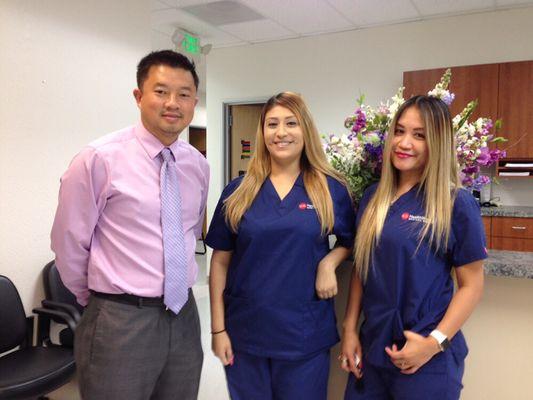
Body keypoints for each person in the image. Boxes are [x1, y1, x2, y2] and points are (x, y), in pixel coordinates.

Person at [51, 50, 209, 400]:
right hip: (120, 319)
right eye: (161, 91)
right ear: (139, 96)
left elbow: (190, 230)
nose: (173, 103)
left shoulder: (197, 165)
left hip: (183, 315)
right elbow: (68, 243)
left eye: (184, 94)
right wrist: (103, 301)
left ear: (194, 102)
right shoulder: (98, 159)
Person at [205, 92, 355, 400]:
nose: (281, 132)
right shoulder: (238, 191)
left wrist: (329, 263)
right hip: (246, 334)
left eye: (291, 123)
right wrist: (218, 330)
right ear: (262, 133)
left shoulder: (330, 189)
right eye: (272, 124)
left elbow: (351, 241)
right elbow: (220, 262)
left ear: (305, 131)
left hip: (304, 336)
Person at [340, 95, 486, 400]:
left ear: (437, 143)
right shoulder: (373, 198)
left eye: (419, 135)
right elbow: (361, 269)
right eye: (400, 131)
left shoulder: (455, 204)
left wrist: (434, 343)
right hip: (372, 350)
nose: (404, 142)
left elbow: (471, 286)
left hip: (426, 357)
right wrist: (351, 329)